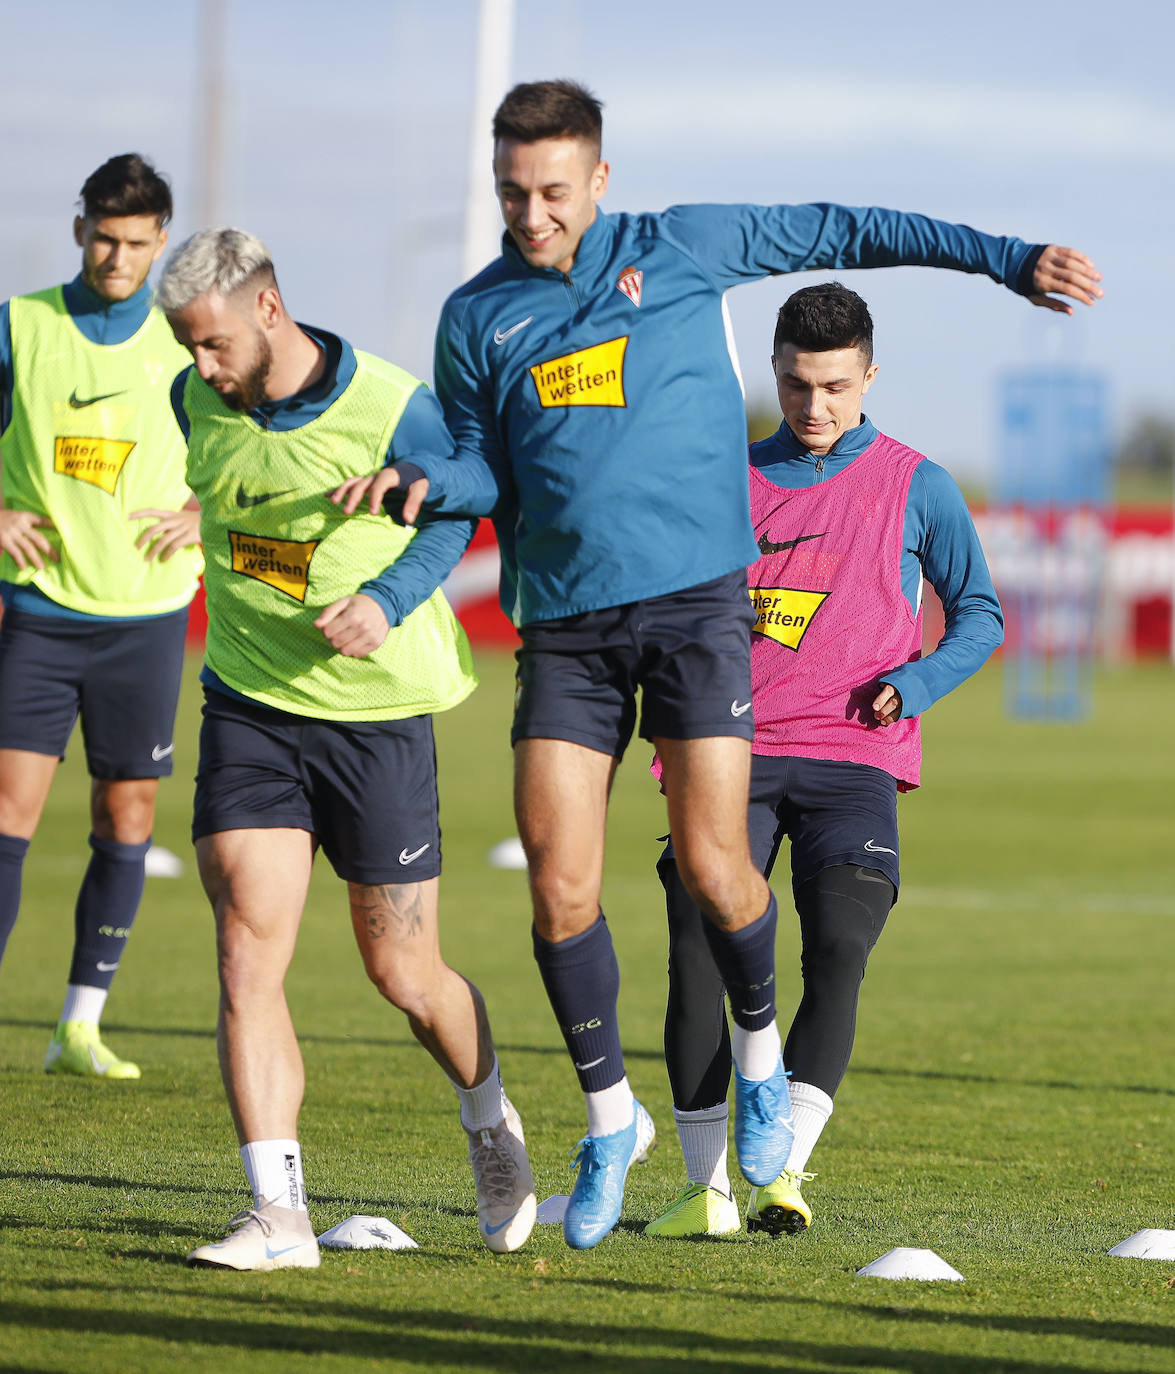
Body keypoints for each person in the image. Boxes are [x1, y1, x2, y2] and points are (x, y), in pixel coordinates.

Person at [334, 79, 1101, 1250]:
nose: (530, 214)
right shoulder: (475, 313)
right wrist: (426, 491)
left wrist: (1001, 258)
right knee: (557, 884)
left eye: (551, 191)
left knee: (711, 867)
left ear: (598, 179)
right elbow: (486, 469)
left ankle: (758, 1064)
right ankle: (607, 1123)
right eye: (509, 192)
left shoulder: (683, 248)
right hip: (567, 627)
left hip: (695, 611)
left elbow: (845, 227)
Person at [157, 227, 536, 1270]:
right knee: (246, 951)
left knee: (404, 975)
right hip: (250, 706)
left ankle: (488, 1121)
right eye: (185, 345)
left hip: (375, 722)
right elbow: (226, 478)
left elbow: (466, 504)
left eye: (213, 342)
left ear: (268, 311)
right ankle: (278, 1214)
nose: (200, 366)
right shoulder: (196, 399)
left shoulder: (389, 403)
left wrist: (387, 598)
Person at [644, 282, 1004, 1238]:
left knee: (839, 946)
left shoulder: (914, 482)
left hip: (853, 757)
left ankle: (781, 1175)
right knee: (693, 953)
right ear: (773, 372)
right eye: (798, 386)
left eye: (836, 387)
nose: (815, 408)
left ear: (869, 375)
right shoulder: (722, 476)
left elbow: (981, 616)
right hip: (728, 753)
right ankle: (700, 1191)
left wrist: (916, 685)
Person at [0, 153, 202, 1079]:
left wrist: (209, 509)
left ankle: (79, 1024)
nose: (117, 258)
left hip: (150, 618)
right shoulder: (21, 324)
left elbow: (255, 436)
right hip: (37, 612)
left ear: (161, 241)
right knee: (10, 814)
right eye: (104, 238)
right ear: (79, 228)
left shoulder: (187, 335)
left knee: (126, 820)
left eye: (136, 243)